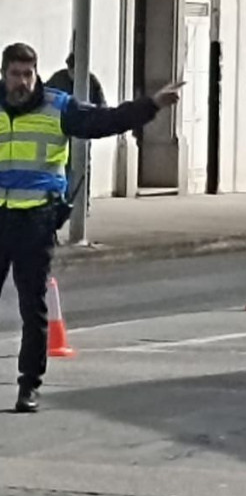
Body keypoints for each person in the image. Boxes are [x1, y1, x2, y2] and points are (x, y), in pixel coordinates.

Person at [0, 42, 181, 413]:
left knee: (32, 308)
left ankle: (28, 386)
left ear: (36, 74)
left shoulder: (58, 107)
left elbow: (106, 120)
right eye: (15, 74)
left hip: (35, 221)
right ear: (3, 74)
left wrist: (152, 105)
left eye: (28, 74)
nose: (22, 82)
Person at [46, 52, 106, 215]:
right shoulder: (58, 79)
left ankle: (82, 202)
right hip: (60, 130)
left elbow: (102, 106)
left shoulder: (91, 81)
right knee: (63, 167)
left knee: (82, 166)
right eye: (72, 70)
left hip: (81, 130)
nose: (75, 74)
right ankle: (63, 202)